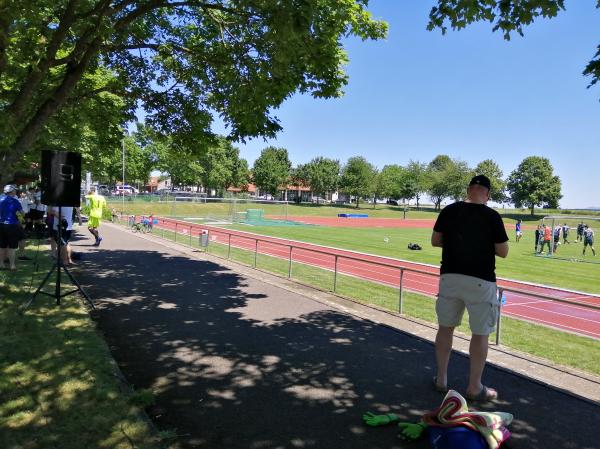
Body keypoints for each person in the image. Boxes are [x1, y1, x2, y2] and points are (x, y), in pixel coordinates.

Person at [431, 175, 509, 402]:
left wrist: (458, 242)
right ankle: (475, 387)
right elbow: (503, 252)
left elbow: (436, 241)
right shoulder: (492, 216)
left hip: (450, 277)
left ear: (469, 190)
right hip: (481, 280)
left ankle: (441, 380)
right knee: (480, 333)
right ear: (487, 194)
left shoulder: (449, 210)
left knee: (445, 328)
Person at [0, 185, 25, 270]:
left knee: (2, 246)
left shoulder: (0, 199)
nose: (15, 192)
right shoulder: (15, 201)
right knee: (12, 247)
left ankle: (1, 264)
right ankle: (12, 266)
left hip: (1, 225)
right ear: (11, 191)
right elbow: (22, 213)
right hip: (12, 225)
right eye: (14, 191)